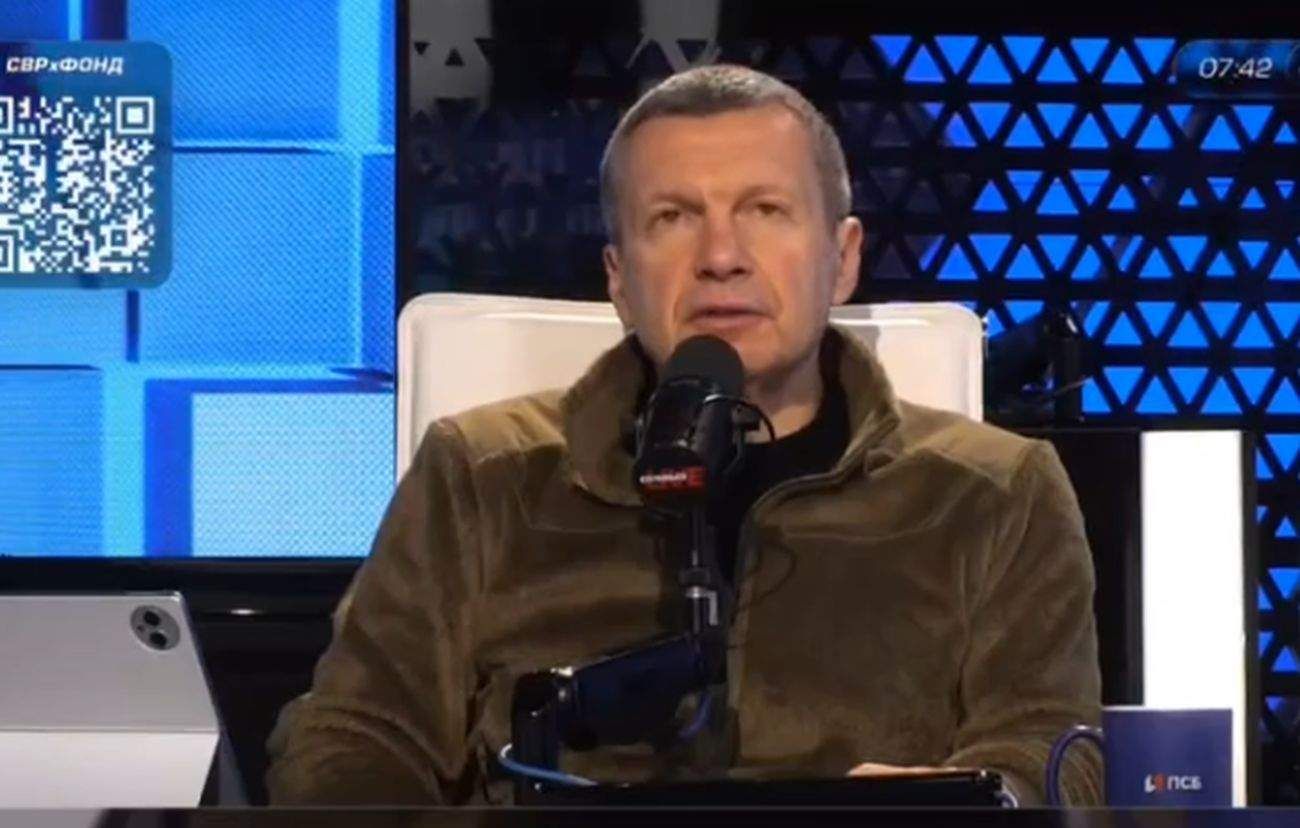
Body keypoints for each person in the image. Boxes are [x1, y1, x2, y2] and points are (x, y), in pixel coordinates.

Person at [266, 64, 1102, 806]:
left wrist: (969, 801)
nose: (721, 256)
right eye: (672, 217)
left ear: (843, 258)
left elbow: (1055, 751)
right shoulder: (483, 475)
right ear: (619, 278)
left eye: (765, 211)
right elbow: (352, 735)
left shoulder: (995, 491)